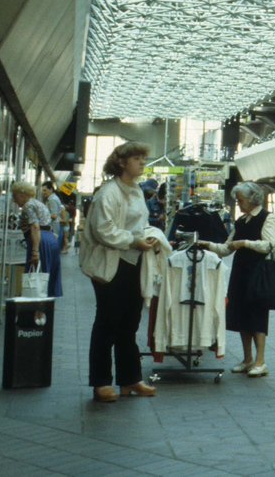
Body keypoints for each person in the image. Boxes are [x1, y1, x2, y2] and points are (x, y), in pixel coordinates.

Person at [79, 141, 158, 402]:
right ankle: (101, 382)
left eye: (143, 159)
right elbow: (104, 230)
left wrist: (147, 238)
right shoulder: (108, 193)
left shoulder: (135, 190)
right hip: (111, 265)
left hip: (133, 263)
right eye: (138, 159)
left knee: (130, 323)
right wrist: (134, 241)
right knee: (107, 323)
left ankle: (130, 379)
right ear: (122, 162)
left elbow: (140, 223)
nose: (142, 164)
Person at [203, 182, 275, 378]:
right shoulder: (241, 220)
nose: (238, 203)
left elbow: (269, 245)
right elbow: (227, 247)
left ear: (252, 199)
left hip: (258, 272)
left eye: (240, 200)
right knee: (242, 315)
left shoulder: (267, 218)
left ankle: (261, 361)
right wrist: (205, 245)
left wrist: (244, 243)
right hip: (241, 271)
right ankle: (248, 359)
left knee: (258, 316)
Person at [13, 181, 62, 297]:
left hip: (40, 240)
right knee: (47, 275)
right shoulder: (38, 203)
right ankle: (44, 309)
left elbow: (35, 227)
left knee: (37, 276)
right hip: (50, 239)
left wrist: (35, 251)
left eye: (15, 196)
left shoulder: (27, 206)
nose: (14, 200)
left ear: (22, 195)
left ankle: (36, 310)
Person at [41, 181, 66, 250]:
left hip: (53, 227)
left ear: (51, 189)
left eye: (45, 190)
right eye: (42, 191)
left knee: (51, 248)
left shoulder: (52, 200)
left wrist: (42, 216)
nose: (43, 192)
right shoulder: (54, 198)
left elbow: (54, 215)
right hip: (55, 227)